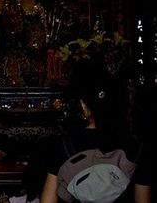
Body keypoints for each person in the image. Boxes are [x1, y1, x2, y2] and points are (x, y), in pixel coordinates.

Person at [39, 68, 151, 203]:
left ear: (84, 106)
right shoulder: (136, 147)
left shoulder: (64, 145)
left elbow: (48, 200)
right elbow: (142, 200)